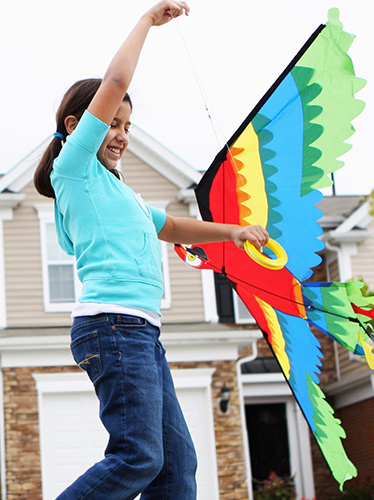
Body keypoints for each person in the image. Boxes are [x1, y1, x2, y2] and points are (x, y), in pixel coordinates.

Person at [32, 2, 269, 499]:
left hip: (141, 332)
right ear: (77, 126)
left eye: (127, 127)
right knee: (138, 455)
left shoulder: (124, 194)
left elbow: (175, 226)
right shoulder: (73, 169)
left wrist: (234, 232)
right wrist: (147, 23)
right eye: (112, 124)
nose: (120, 135)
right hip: (111, 324)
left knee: (177, 466)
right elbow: (115, 82)